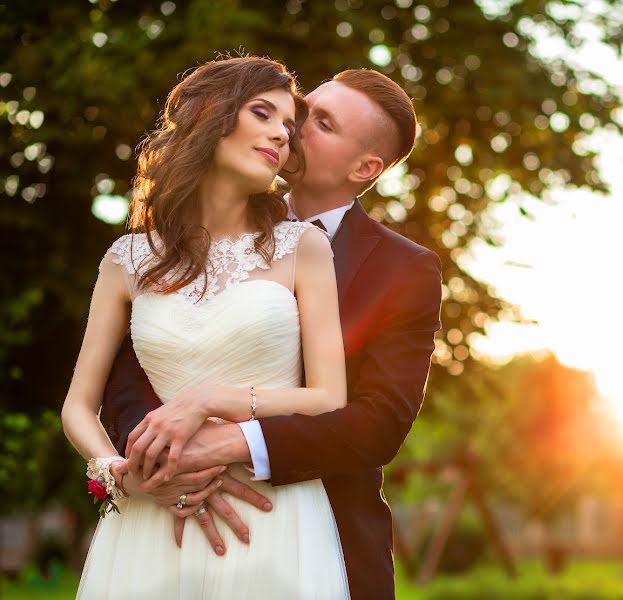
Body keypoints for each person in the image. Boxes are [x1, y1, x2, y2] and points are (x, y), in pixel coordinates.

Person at [100, 62, 443, 598]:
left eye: (322, 124)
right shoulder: (186, 235)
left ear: (364, 167)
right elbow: (127, 376)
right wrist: (153, 463)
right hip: (170, 519)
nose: (292, 129)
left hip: (315, 538)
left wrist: (232, 441)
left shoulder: (403, 270)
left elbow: (379, 423)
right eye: (302, 111)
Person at [63, 56, 352, 598]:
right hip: (150, 518)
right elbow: (79, 405)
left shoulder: (303, 248)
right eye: (262, 113)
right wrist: (121, 476)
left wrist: (210, 399)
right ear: (210, 115)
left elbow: (329, 397)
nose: (279, 135)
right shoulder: (126, 260)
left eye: (288, 128)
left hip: (274, 515)